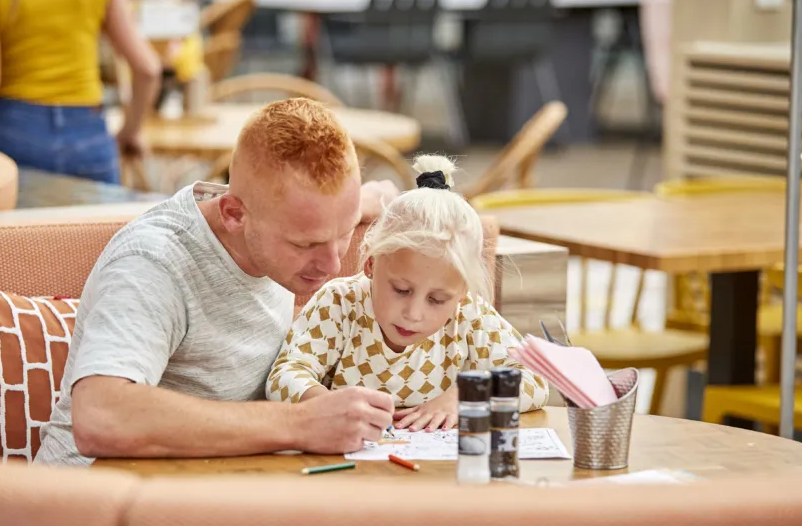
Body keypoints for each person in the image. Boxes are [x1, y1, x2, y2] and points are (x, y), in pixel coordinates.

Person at [35, 98, 400, 466]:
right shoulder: (154, 262)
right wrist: (301, 423)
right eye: (305, 244)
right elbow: (100, 416)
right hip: (86, 499)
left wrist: (383, 202)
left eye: (345, 231)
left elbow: (369, 199)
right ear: (234, 214)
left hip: (204, 485)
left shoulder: (298, 214)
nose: (333, 263)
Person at [266, 155, 549, 432]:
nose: (413, 314)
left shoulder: (470, 315)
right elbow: (284, 377)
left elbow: (536, 380)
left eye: (437, 300)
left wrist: (466, 395)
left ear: (462, 292)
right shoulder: (340, 303)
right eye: (401, 290)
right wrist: (328, 406)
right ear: (371, 265)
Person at [0, 0, 161, 183]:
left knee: (4, 232)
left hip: (12, 134)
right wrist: (130, 132)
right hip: (89, 135)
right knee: (100, 232)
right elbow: (148, 70)